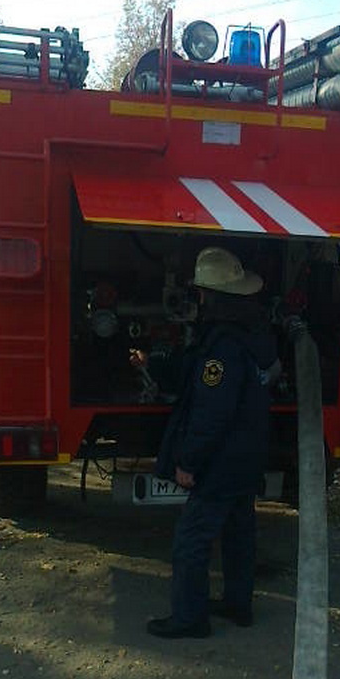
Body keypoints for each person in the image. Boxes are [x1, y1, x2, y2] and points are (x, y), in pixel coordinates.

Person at [139, 247, 280, 639]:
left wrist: (189, 462)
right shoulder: (254, 335)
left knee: (192, 539)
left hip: (222, 461)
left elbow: (211, 413)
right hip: (248, 455)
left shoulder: (221, 347)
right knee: (238, 532)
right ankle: (238, 604)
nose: (198, 299)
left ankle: (189, 618)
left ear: (211, 296)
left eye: (201, 293)